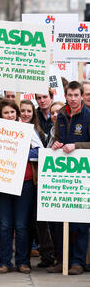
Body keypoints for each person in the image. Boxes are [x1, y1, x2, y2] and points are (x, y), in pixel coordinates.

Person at [47, 81, 90, 275]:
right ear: (65, 95)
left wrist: (77, 146)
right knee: (59, 219)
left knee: (80, 222)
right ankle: (62, 259)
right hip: (63, 176)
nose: (72, 99)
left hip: (82, 176)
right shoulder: (61, 115)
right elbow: (58, 138)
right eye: (69, 95)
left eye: (76, 95)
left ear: (81, 95)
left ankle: (78, 262)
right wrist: (57, 144)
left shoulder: (88, 115)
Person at [0, 99, 35, 274]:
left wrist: (22, 150)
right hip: (2, 182)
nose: (10, 115)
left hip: (24, 181)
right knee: (5, 224)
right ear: (0, 115)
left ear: (17, 113)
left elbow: (39, 150)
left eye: (12, 112)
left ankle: (23, 261)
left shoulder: (27, 129)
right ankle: (5, 261)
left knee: (22, 225)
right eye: (6, 113)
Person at [20, 99, 56, 269]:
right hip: (15, 181)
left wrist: (21, 154)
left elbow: (41, 152)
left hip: (35, 182)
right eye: (22, 110)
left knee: (37, 220)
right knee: (24, 222)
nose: (25, 114)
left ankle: (48, 255)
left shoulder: (38, 132)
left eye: (28, 111)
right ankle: (27, 257)